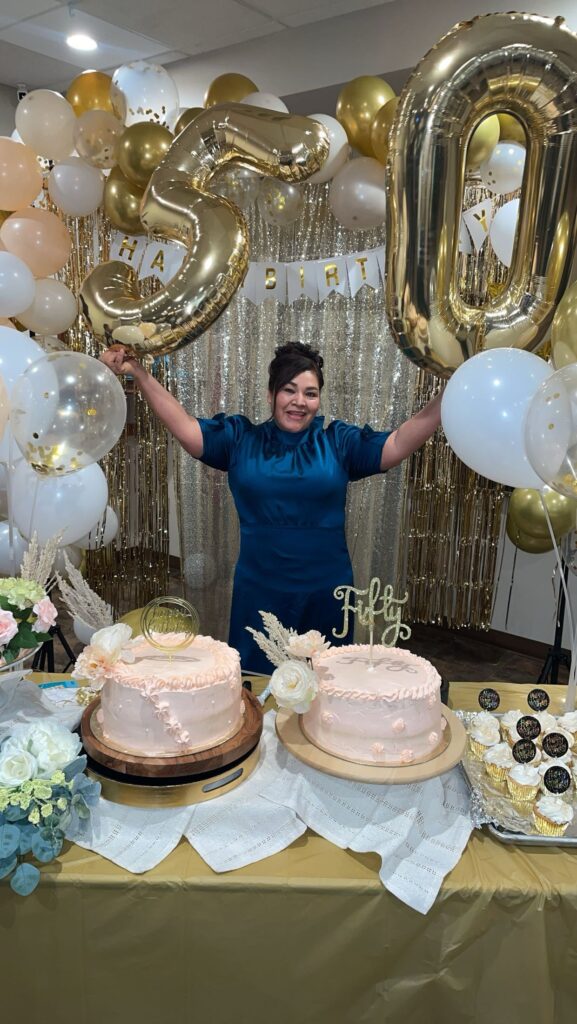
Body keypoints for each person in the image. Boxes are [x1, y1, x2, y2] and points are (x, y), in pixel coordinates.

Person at [101, 341, 442, 673]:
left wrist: (449, 396)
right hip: (259, 589)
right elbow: (187, 428)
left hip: (326, 591)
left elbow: (397, 442)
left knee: (323, 688)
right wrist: (140, 373)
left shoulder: (338, 441)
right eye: (289, 390)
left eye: (310, 393)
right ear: (271, 394)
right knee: (258, 684)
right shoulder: (240, 438)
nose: (299, 401)